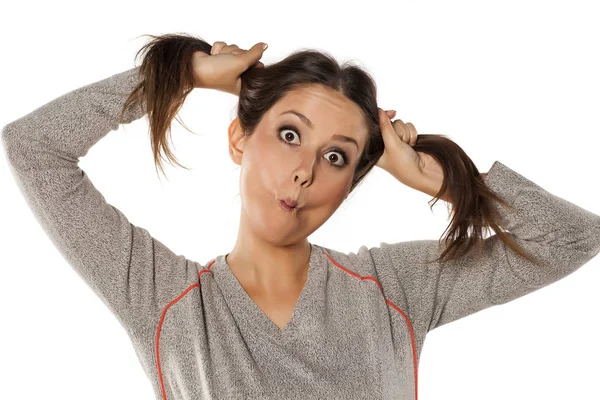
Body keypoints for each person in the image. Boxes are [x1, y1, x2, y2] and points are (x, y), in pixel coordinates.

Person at [2, 33, 599, 400]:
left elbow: (574, 238)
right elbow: (33, 147)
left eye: (336, 156)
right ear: (239, 137)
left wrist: (440, 179)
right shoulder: (164, 300)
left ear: (348, 186)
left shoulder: (396, 289)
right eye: (290, 134)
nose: (306, 171)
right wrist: (182, 75)